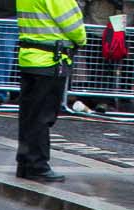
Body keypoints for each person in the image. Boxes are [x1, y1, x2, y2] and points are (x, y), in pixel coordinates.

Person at [14, 0, 85, 181]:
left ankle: (25, 163)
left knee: (29, 116)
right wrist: (81, 39)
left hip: (30, 58)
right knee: (43, 117)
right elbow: (74, 26)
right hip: (50, 61)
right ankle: (37, 166)